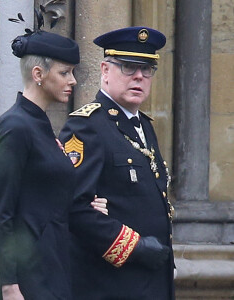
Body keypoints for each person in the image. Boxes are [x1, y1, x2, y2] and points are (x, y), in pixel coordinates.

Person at [0, 28, 106, 300]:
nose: (72, 81)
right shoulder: (15, 126)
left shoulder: (40, 126)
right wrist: (8, 285)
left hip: (51, 266)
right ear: (38, 74)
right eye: (65, 73)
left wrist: (86, 206)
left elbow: (43, 200)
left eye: (72, 72)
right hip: (25, 277)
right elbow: (3, 212)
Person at [60, 26, 175, 300]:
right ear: (105, 69)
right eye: (127, 66)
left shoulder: (143, 126)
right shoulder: (86, 126)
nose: (138, 76)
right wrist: (134, 247)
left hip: (151, 282)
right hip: (109, 284)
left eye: (146, 69)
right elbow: (74, 208)